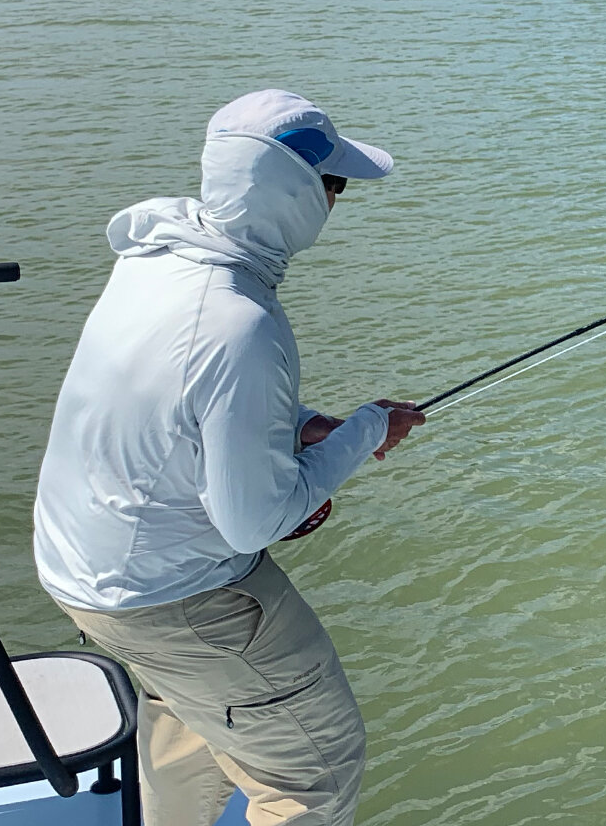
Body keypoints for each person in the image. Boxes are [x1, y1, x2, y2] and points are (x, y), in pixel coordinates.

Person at [33, 89, 425, 825]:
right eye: (334, 186)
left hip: (81, 574)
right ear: (298, 193)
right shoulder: (241, 324)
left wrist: (299, 425)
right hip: (178, 597)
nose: (336, 203)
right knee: (316, 774)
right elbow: (256, 521)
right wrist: (367, 430)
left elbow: (179, 395)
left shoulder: (156, 256)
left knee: (190, 721)